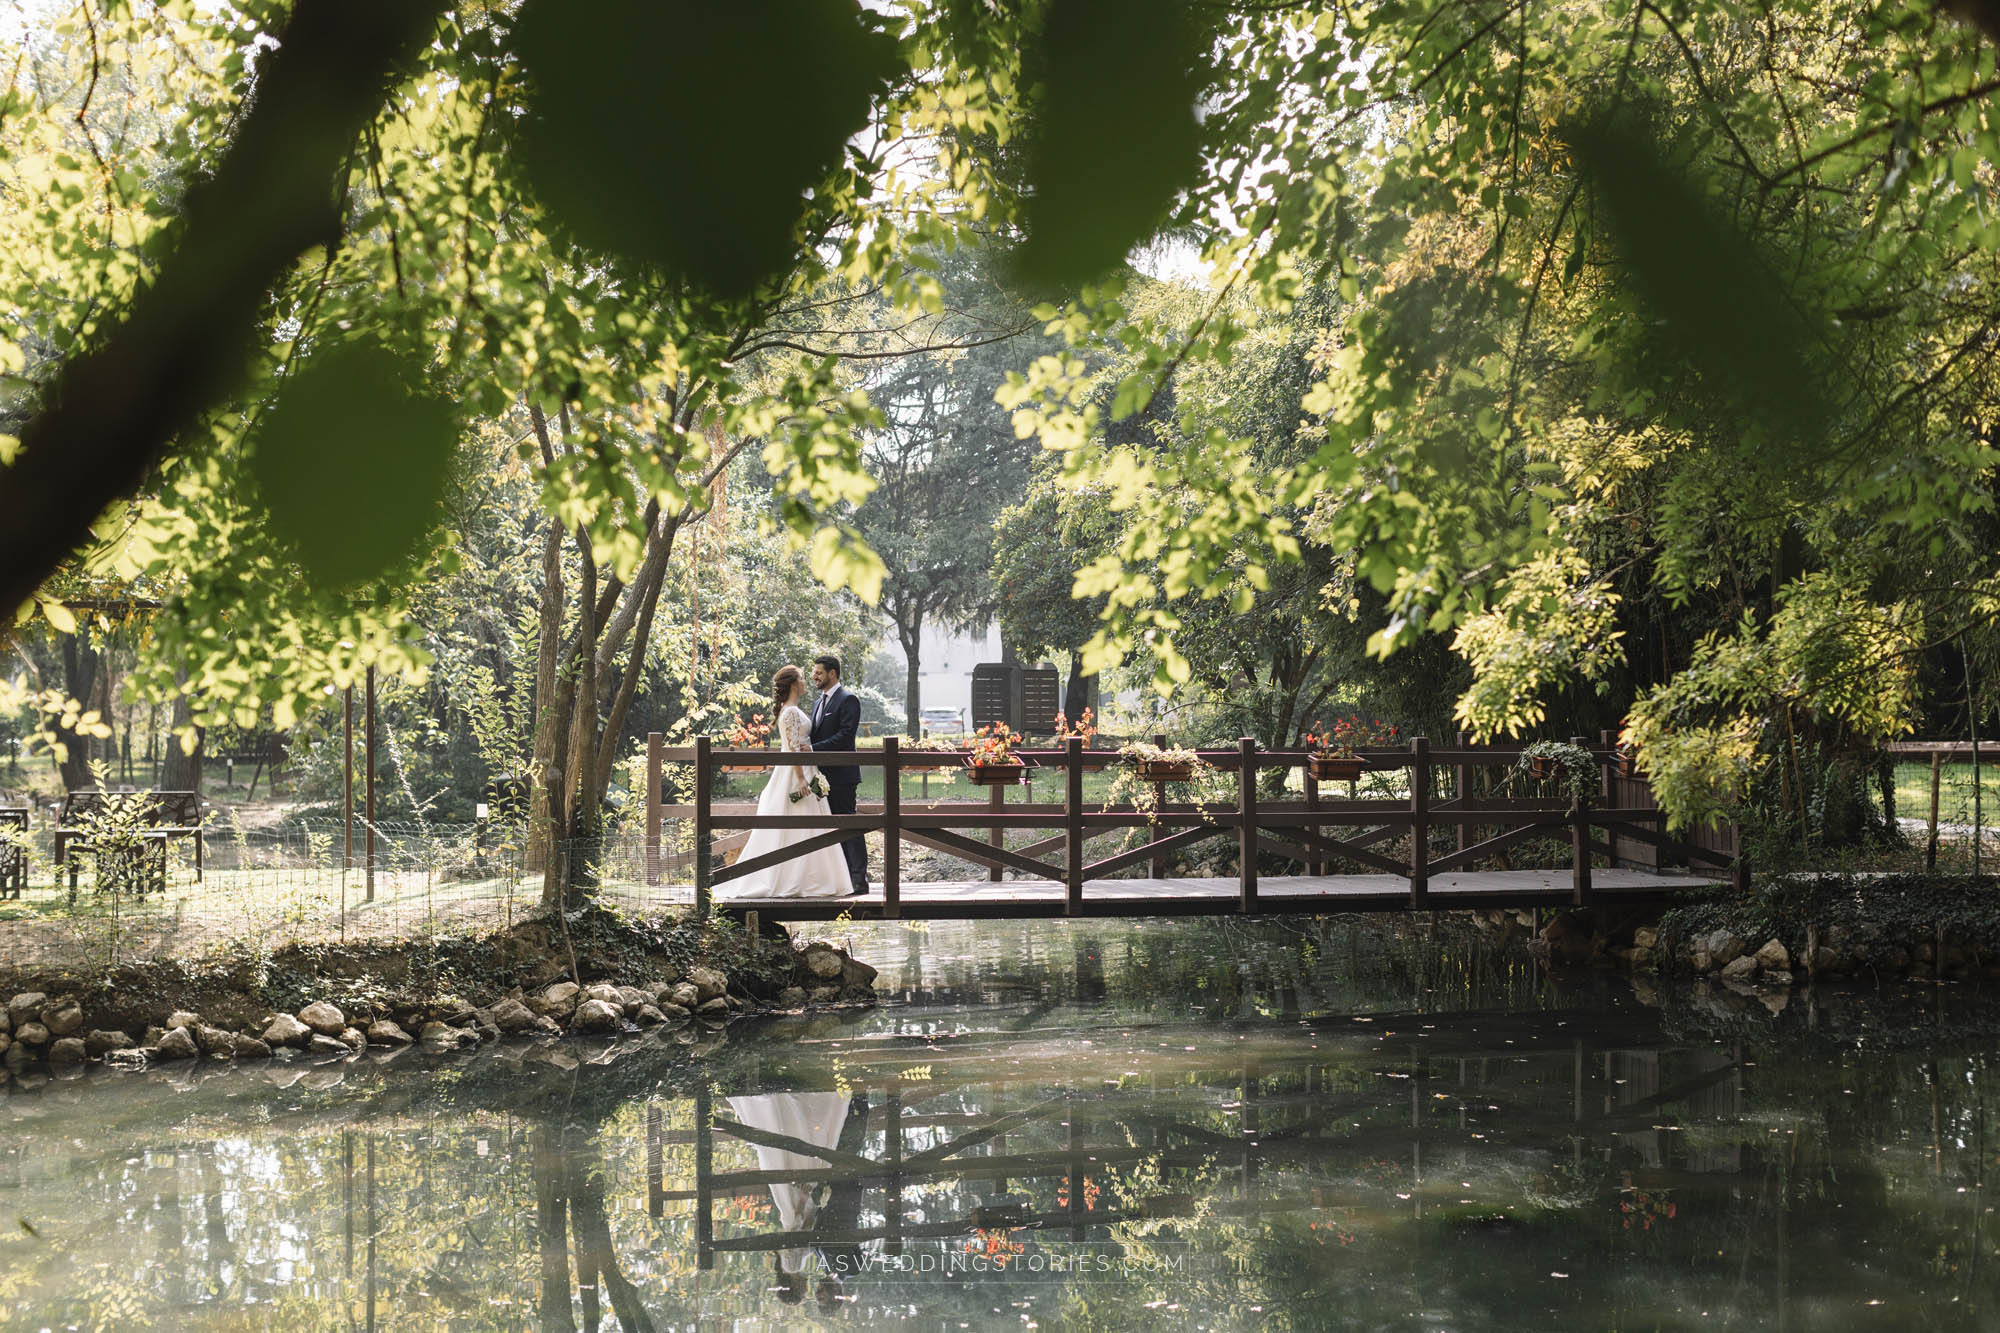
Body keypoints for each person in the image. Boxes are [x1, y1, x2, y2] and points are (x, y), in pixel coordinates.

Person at [717, 665, 852, 899]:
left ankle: (808, 877)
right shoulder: (789, 713)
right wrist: (800, 779)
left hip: (805, 770)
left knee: (809, 827)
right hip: (795, 774)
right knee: (798, 824)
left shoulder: (792, 710)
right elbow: (791, 748)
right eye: (801, 678)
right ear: (792, 684)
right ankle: (792, 878)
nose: (806, 681)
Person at [807, 654, 867, 895]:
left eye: (819, 672)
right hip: (820, 776)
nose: (814, 676)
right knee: (830, 827)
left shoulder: (848, 699)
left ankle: (859, 880)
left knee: (847, 824)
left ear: (833, 673)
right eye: (814, 673)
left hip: (842, 775)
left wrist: (812, 749)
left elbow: (844, 736)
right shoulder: (817, 703)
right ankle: (840, 879)